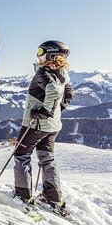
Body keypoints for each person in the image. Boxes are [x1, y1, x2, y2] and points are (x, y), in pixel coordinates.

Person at [14, 40, 73, 214]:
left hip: (35, 124)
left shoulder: (44, 72)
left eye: (41, 51)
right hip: (53, 126)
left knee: (21, 155)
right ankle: (53, 197)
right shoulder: (62, 72)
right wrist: (57, 109)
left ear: (51, 55)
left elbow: (54, 91)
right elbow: (68, 93)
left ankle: (22, 196)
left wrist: (45, 111)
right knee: (47, 158)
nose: (38, 54)